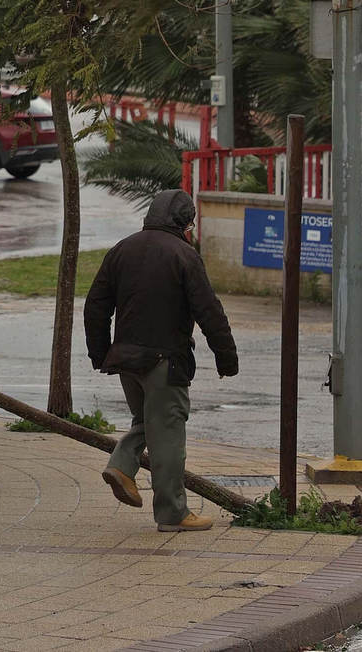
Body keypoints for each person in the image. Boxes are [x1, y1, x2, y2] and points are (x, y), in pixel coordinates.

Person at [83, 188, 238, 532]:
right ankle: (173, 514)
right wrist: (227, 359)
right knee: (168, 434)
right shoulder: (184, 255)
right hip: (164, 361)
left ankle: (122, 466)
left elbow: (95, 305)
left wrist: (101, 352)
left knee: (148, 423)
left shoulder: (121, 249)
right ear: (184, 223)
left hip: (125, 361)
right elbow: (209, 311)